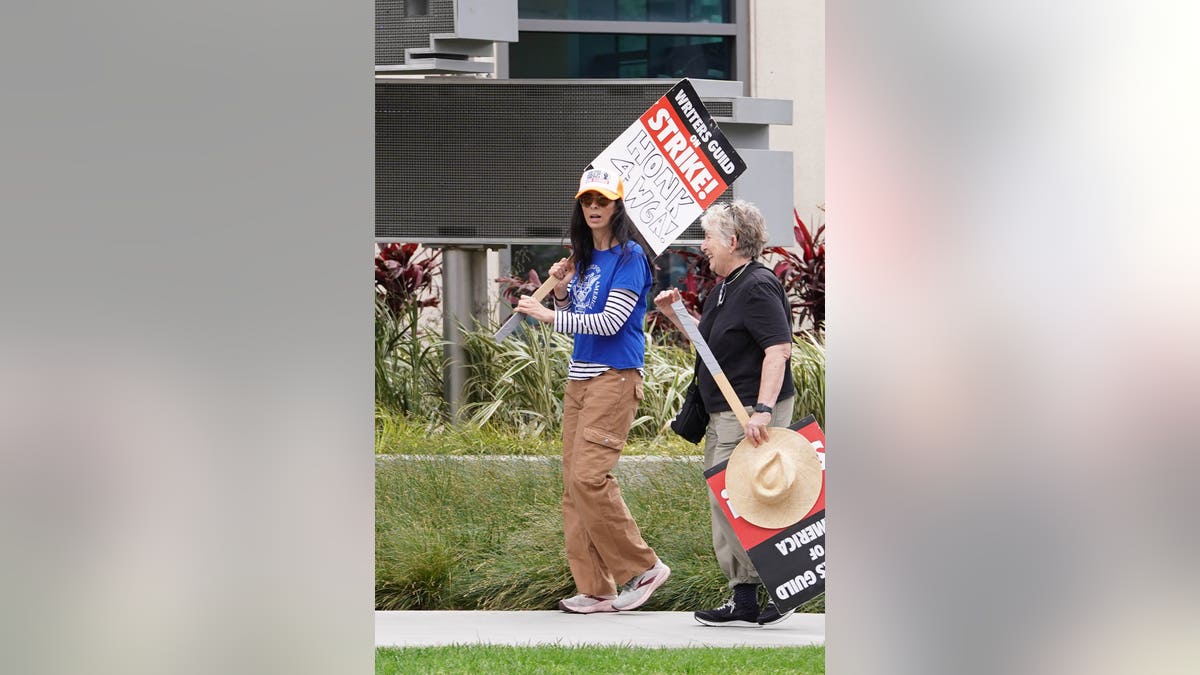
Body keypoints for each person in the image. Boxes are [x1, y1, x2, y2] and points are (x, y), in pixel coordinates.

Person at [515, 164, 670, 614]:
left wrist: (546, 315)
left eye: (602, 200)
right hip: (581, 379)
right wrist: (561, 292)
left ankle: (643, 569)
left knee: (589, 477)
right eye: (587, 201)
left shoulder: (630, 259)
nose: (594, 208)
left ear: (618, 206)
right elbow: (578, 321)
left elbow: (609, 323)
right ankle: (596, 589)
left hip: (615, 378)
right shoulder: (583, 260)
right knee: (572, 487)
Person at [653, 200, 797, 627]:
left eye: (710, 237)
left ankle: (781, 586)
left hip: (749, 410)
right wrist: (674, 315)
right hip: (724, 411)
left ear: (733, 241)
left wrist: (764, 411)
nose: (704, 247)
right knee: (726, 501)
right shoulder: (727, 286)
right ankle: (744, 598)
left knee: (750, 501)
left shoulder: (757, 285)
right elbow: (712, 348)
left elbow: (779, 349)